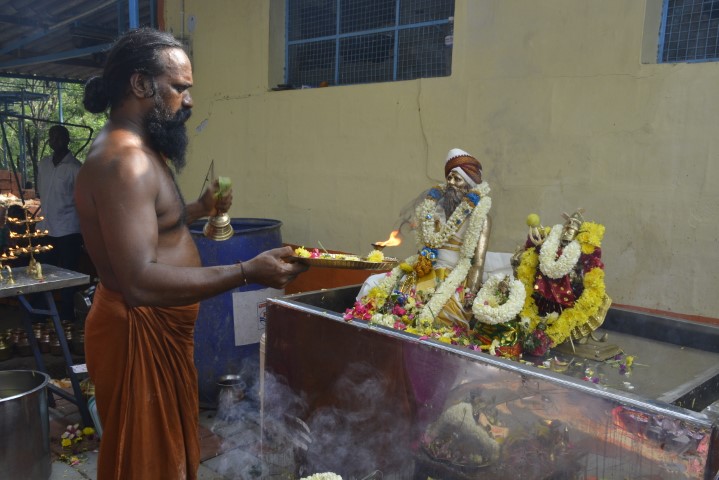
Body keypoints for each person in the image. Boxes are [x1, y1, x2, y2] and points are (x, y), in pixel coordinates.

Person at [75, 28, 307, 480]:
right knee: (146, 467)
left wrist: (199, 208)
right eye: (179, 88)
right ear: (140, 84)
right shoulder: (126, 161)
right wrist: (246, 271)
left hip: (163, 332)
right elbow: (140, 281)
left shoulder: (142, 150)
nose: (190, 100)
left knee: (169, 459)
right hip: (139, 334)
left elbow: (153, 225)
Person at [348, 148, 492, 329]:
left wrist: (470, 294)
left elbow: (477, 263)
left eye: (457, 179)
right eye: (449, 178)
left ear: (469, 185)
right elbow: (425, 245)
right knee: (374, 284)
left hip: (455, 277)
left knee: (436, 313)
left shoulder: (481, 217)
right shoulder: (436, 209)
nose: (451, 183)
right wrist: (417, 265)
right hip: (425, 268)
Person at [36, 124, 84, 319]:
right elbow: (41, 192)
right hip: (46, 227)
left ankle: (66, 316)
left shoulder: (75, 168)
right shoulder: (43, 164)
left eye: (59, 137)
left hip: (68, 230)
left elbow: (82, 200)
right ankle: (42, 313)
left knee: (68, 274)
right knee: (43, 272)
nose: (55, 141)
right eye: (52, 137)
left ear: (67, 140)